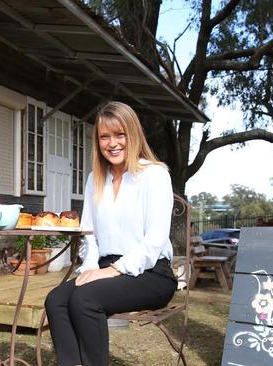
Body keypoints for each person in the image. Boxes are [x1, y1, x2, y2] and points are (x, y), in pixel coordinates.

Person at [45, 101, 178, 366]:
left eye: (120, 135)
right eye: (105, 136)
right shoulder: (95, 178)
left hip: (151, 273)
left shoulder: (154, 175)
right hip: (106, 268)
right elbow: (88, 233)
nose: (112, 143)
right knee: (56, 299)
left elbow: (155, 240)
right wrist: (92, 267)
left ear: (133, 135)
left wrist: (112, 271)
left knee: (84, 299)